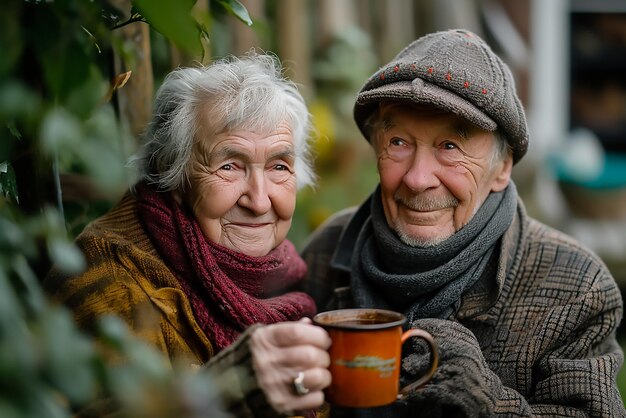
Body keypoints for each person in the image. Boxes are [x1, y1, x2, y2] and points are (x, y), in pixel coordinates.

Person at [301, 29, 626, 417]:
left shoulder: (575, 285)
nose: (418, 178)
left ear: (502, 168)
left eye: (450, 147)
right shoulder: (327, 249)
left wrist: (484, 400)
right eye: (399, 142)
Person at [44, 53, 332, 418]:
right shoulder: (109, 276)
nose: (260, 201)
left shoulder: (288, 273)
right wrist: (226, 389)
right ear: (174, 173)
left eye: (279, 166)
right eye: (229, 166)